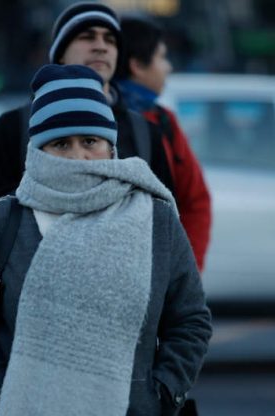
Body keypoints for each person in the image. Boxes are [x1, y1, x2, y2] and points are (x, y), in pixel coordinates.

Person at [0, 64, 212, 416]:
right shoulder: (0, 221)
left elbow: (191, 320)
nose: (78, 156)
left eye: (90, 141)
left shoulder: (154, 219)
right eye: (61, 143)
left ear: (111, 146)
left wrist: (155, 396)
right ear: (38, 150)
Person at [0, 3, 176, 218]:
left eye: (110, 40)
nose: (101, 46)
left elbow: (167, 220)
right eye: (87, 37)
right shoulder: (13, 126)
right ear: (60, 53)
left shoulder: (146, 132)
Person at [115, 16, 211, 270]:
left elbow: (195, 200)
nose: (167, 67)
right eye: (161, 57)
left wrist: (184, 273)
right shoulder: (95, 120)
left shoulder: (163, 120)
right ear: (137, 65)